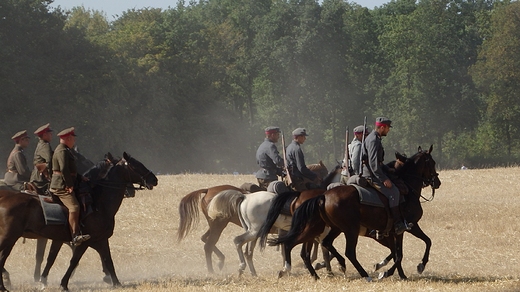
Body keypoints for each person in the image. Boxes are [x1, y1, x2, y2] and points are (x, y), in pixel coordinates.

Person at [361, 117, 410, 235]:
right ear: (382, 127)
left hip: (374, 171)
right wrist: (384, 179)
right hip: (371, 175)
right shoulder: (373, 140)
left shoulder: (375, 138)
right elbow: (373, 164)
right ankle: (397, 224)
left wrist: (388, 169)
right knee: (394, 192)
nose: (388, 130)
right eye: (388, 128)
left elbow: (378, 162)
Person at [49, 127, 90, 246]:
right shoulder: (62, 151)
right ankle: (75, 235)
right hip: (61, 186)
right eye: (73, 139)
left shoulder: (65, 150)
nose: (74, 142)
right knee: (75, 207)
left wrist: (80, 177)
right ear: (68, 139)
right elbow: (63, 169)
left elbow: (71, 169)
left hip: (64, 182)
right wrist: (70, 185)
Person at [30, 123, 54, 192]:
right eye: (50, 133)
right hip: (41, 179)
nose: (51, 135)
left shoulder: (41, 144)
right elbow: (49, 162)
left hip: (38, 177)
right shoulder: (45, 146)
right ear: (45, 135)